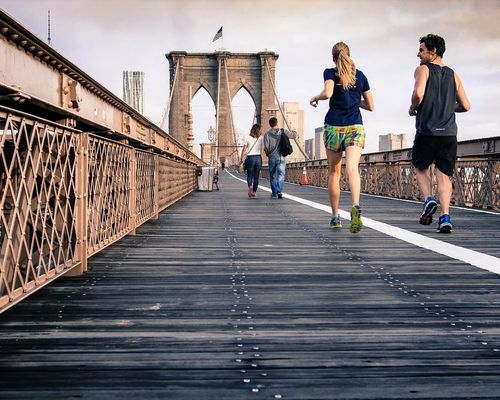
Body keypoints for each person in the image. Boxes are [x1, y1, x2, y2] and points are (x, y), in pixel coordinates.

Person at [309, 41, 374, 233]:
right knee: (352, 168)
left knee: (334, 173)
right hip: (355, 126)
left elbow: (328, 93)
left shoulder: (330, 72)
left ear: (333, 57)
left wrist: (315, 97)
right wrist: (355, 100)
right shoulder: (360, 76)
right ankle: (355, 204)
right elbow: (370, 105)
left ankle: (336, 216)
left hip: (334, 127)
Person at [409, 34, 470, 233]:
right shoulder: (454, 74)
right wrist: (447, 108)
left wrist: (413, 107)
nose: (418, 54)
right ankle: (445, 217)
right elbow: (466, 106)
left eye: (421, 50)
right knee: (444, 177)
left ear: (432, 52)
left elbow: (418, 94)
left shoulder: (423, 69)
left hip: (427, 131)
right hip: (449, 134)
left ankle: (428, 200)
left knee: (420, 167)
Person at [263, 117, 296, 199]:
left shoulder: (267, 134)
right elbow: (293, 136)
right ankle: (279, 190)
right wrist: (294, 130)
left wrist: (268, 154)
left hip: (272, 157)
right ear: (277, 123)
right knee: (281, 174)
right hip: (281, 157)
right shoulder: (283, 131)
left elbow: (266, 147)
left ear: (270, 124)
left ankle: (274, 193)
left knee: (273, 175)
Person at [241, 123, 264, 198]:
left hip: (250, 158)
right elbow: (265, 147)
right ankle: (254, 192)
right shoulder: (261, 138)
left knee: (250, 175)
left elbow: (244, 149)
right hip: (258, 158)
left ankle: (250, 187)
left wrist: (241, 159)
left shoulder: (247, 137)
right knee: (256, 177)